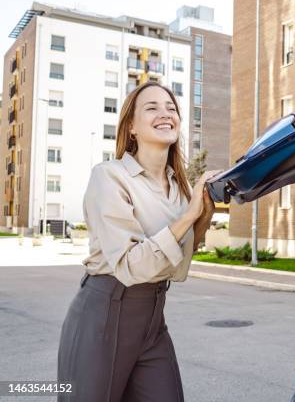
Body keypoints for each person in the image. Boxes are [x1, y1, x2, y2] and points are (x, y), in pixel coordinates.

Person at [57, 81, 215, 401]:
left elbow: (178, 260)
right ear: (131, 127)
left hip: (153, 320)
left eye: (171, 108)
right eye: (152, 107)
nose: (165, 113)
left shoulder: (180, 189)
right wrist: (188, 217)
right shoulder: (109, 176)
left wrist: (204, 213)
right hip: (104, 316)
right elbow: (130, 267)